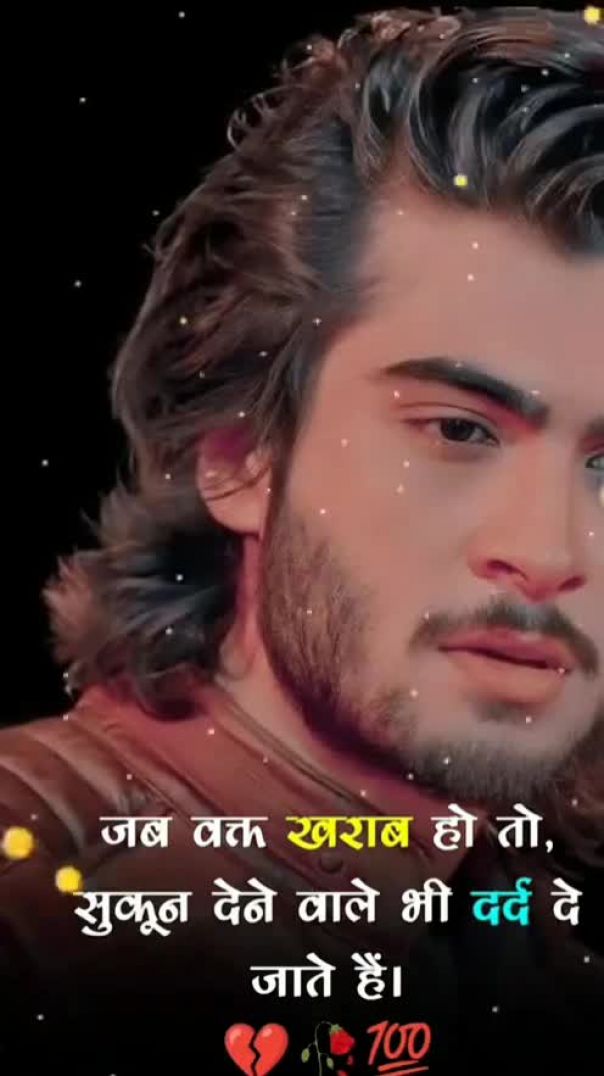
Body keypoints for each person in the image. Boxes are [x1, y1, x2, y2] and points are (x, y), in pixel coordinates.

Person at [1, 6, 603, 1075]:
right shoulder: (37, 898)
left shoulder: (526, 928)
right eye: (458, 430)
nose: (550, 549)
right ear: (238, 454)